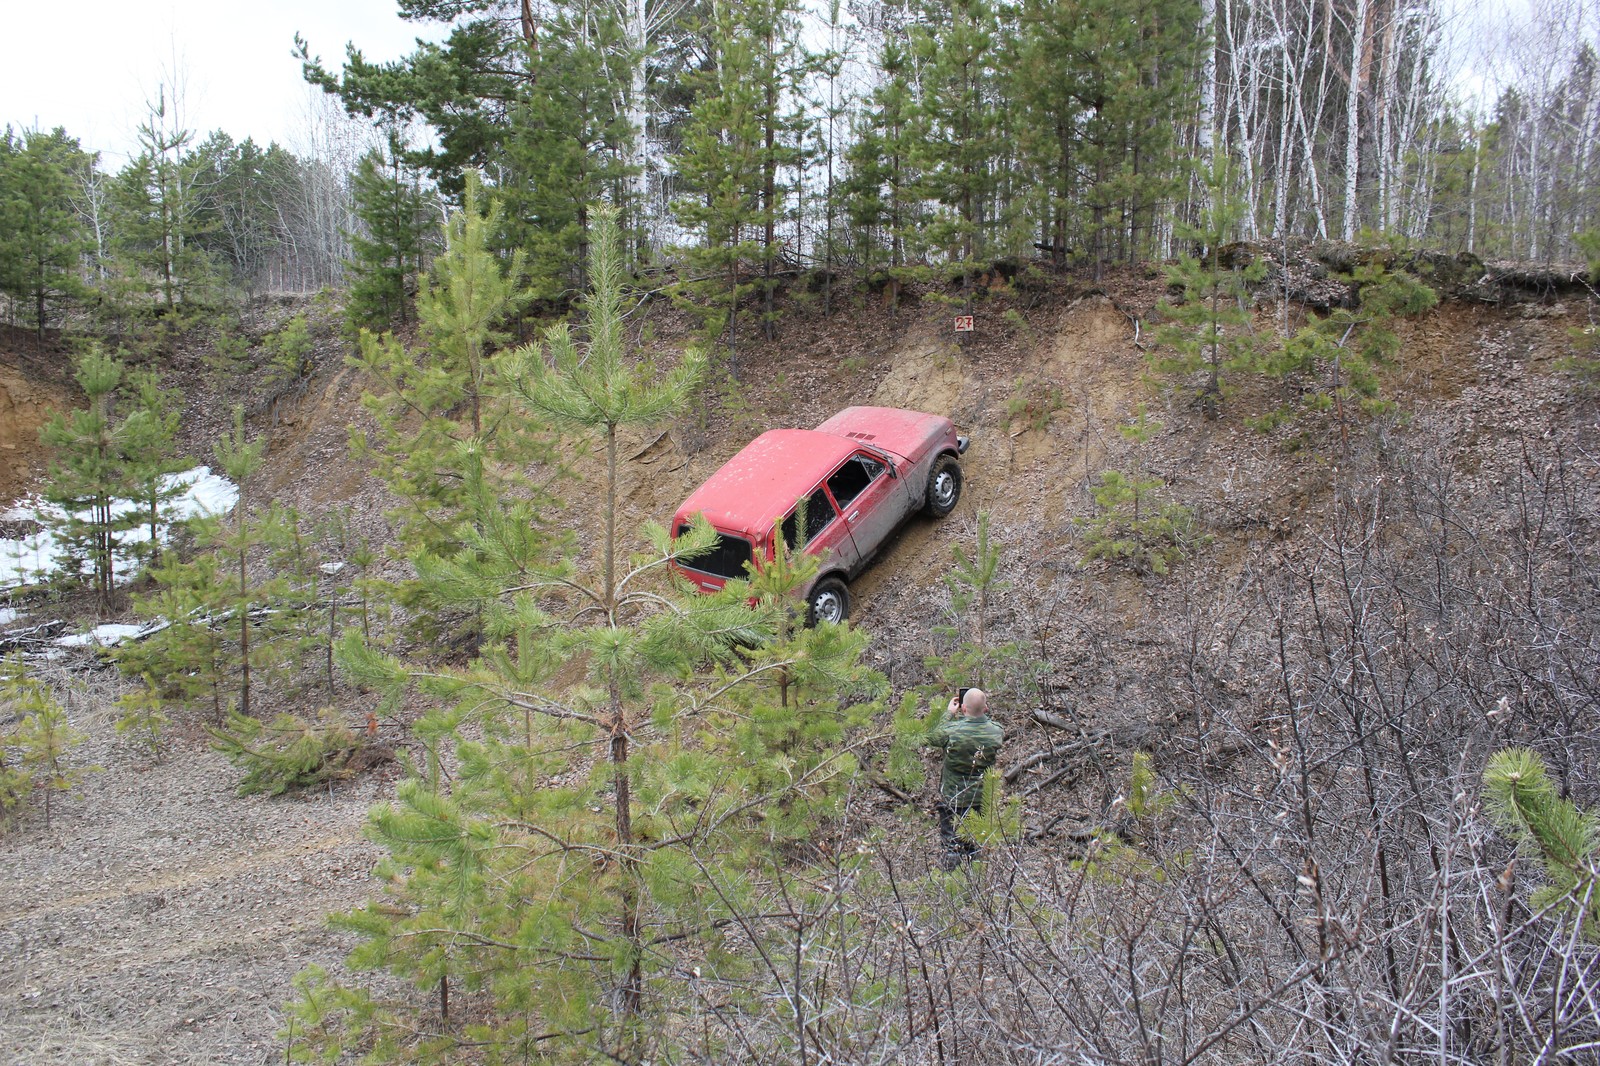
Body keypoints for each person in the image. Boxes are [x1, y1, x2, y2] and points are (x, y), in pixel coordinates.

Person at [924, 687, 1004, 868]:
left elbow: (929, 737)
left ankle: (951, 886)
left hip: (954, 799)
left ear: (963, 708)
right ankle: (976, 885)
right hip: (981, 799)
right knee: (975, 846)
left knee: (951, 846)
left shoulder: (951, 731)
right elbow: (990, 726)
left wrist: (948, 715)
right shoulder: (996, 732)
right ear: (986, 709)